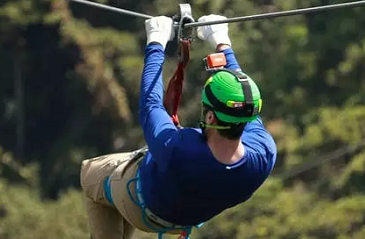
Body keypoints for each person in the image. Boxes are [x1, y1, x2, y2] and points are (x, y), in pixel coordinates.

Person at [80, 14, 277, 239]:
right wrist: (222, 42)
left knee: (90, 173)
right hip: (183, 219)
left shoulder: (178, 149)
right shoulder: (263, 153)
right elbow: (245, 98)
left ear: (210, 117)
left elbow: (150, 104)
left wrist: (156, 42)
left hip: (141, 206)